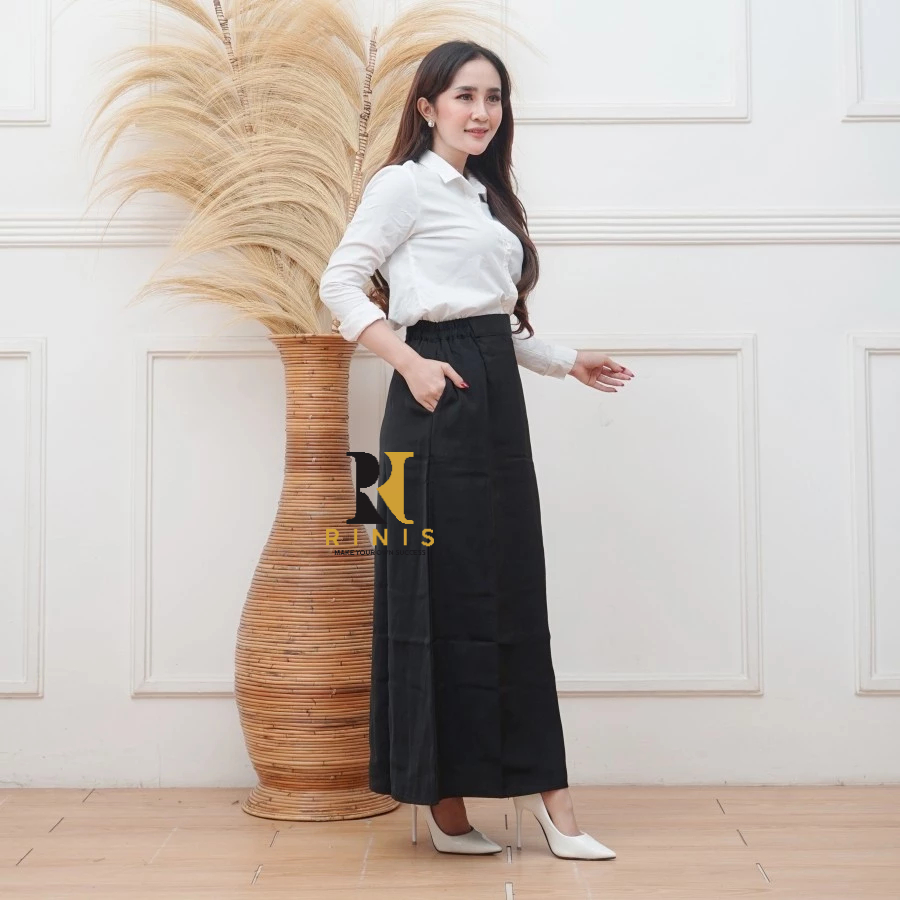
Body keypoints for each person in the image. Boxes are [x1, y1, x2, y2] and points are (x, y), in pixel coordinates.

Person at [319, 40, 634, 860]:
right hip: (424, 406)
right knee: (421, 598)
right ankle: (448, 805)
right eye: (464, 95)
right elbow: (338, 283)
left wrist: (567, 361)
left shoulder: (485, 194)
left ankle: (543, 805)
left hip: (493, 402)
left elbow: (490, 320)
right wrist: (411, 363)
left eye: (493, 97)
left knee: (509, 595)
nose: (482, 111)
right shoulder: (402, 185)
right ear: (427, 106)